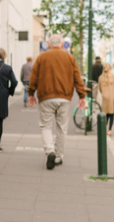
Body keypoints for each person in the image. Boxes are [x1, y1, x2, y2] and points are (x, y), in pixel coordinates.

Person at [28, 35, 86, 170]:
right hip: (64, 98)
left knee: (45, 126)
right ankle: (58, 157)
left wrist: (31, 93)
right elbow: (77, 78)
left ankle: (50, 151)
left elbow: (34, 77)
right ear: (62, 44)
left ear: (48, 44)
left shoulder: (42, 57)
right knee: (62, 128)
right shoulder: (70, 58)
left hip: (46, 97)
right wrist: (81, 96)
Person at [98, 63, 114, 136]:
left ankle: (105, 125)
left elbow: (99, 88)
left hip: (105, 97)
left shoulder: (100, 78)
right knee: (111, 113)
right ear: (110, 69)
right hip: (113, 97)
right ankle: (109, 130)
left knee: (105, 112)